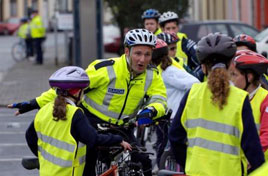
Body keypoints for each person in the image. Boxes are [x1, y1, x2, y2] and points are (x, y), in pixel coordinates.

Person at [8, 28, 167, 176]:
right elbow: (69, 87)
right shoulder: (106, 69)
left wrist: (151, 110)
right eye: (138, 53)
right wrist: (34, 103)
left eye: (147, 54)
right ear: (127, 51)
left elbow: (159, 98)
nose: (142, 59)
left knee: (144, 163)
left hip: (122, 127)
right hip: (92, 123)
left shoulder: (153, 75)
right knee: (87, 166)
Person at [169, 33, 265, 176]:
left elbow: (175, 137)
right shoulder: (239, 98)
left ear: (203, 67)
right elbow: (251, 147)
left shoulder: (192, 94)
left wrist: (188, 163)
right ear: (231, 64)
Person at [24, 66, 131, 176]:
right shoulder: (75, 114)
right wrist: (118, 139)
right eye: (83, 91)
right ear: (77, 92)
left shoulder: (44, 110)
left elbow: (30, 136)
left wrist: (43, 157)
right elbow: (92, 139)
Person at [151, 39, 199, 168]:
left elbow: (194, 82)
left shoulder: (169, 72)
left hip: (174, 116)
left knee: (170, 147)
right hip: (167, 116)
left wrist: (183, 101)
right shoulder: (159, 70)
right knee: (165, 147)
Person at [229, 50, 268, 160]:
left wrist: (250, 156)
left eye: (234, 75)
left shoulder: (265, 99)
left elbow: (266, 135)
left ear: (249, 77)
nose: (231, 80)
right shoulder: (234, 96)